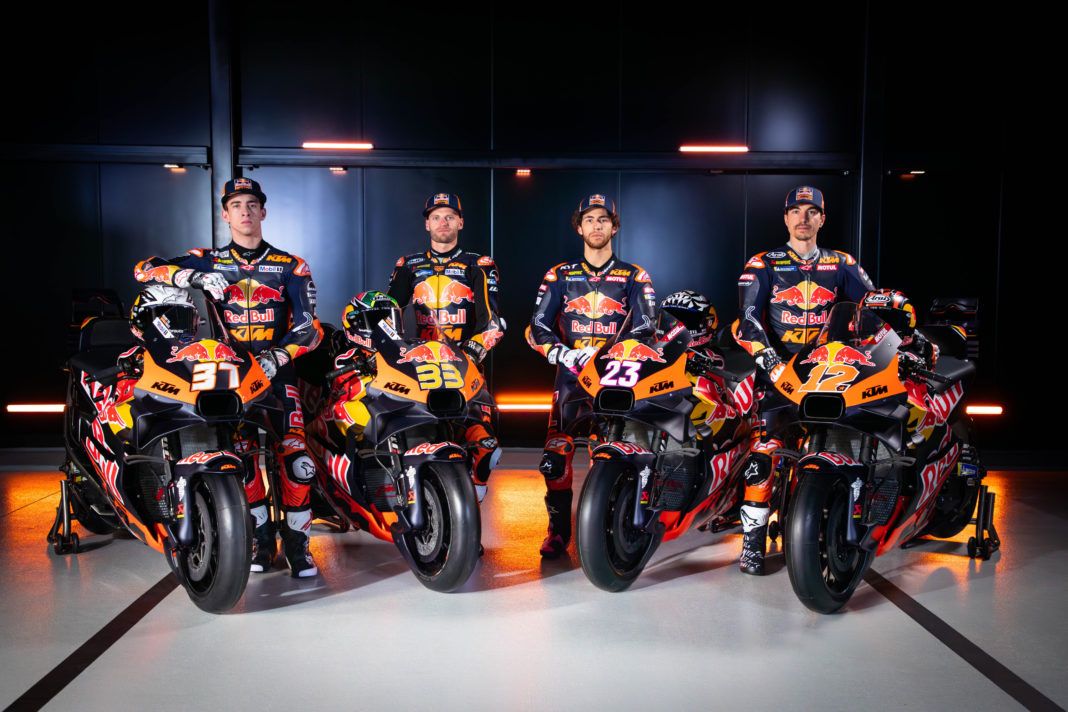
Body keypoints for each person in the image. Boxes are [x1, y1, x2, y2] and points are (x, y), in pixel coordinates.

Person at [134, 177, 324, 578]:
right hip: (229, 375)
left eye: (252, 204)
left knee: (298, 461)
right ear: (225, 214)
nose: (245, 211)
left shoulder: (291, 265)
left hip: (277, 374)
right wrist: (191, 278)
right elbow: (143, 270)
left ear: (263, 211)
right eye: (236, 205)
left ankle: (299, 545)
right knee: (242, 460)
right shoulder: (207, 259)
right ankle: (260, 539)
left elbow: (310, 327)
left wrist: (279, 356)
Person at [731, 185, 874, 575]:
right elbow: (747, 321)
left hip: (831, 372)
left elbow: (873, 310)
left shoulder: (842, 263)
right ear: (786, 217)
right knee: (763, 454)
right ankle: (752, 543)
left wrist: (895, 346)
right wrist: (771, 362)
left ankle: (846, 523)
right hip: (779, 374)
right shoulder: (763, 263)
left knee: (854, 446)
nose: (803, 218)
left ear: (822, 219)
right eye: (796, 211)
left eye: (812, 211)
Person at [526, 194, 658, 558]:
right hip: (571, 378)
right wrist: (563, 352)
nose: (596, 226)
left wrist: (608, 353)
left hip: (618, 377)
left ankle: (607, 529)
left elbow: (647, 326)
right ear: (579, 227)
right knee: (555, 458)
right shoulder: (559, 275)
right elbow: (538, 325)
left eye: (603, 219)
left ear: (614, 227)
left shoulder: (634, 276)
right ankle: (558, 532)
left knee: (612, 455)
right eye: (589, 220)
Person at [387, 193, 504, 501]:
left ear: (460, 223)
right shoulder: (408, 265)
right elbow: (388, 313)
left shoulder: (479, 264)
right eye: (436, 217)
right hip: (420, 364)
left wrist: (473, 351)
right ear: (427, 224)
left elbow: (493, 321)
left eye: (450, 217)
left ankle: (475, 488)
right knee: (419, 431)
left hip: (465, 361)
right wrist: (389, 350)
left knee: (483, 440)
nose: (443, 222)